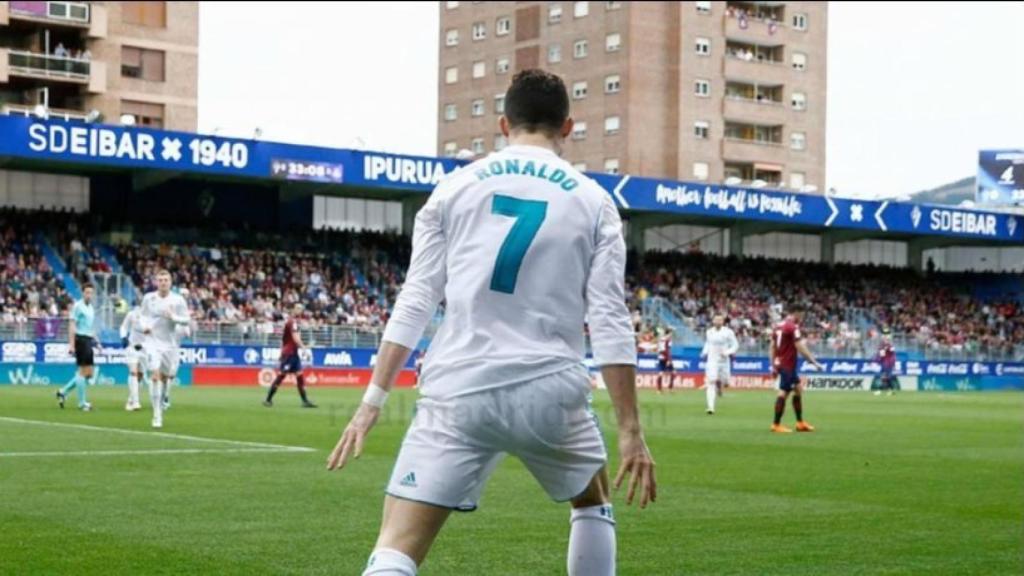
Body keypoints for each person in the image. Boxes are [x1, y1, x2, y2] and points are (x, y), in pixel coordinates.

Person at [327, 69, 656, 576]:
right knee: (593, 500)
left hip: (460, 388)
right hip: (549, 389)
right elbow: (609, 318)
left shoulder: (453, 190)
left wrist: (372, 402)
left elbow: (416, 300)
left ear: (503, 124)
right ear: (568, 127)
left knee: (397, 542)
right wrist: (631, 430)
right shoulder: (594, 203)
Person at [139, 270, 191, 429]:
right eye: (160, 280)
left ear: (171, 282)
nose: (163, 282)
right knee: (155, 376)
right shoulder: (149, 298)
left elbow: (186, 320)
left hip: (170, 344)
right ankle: (156, 415)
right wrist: (144, 326)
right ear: (156, 282)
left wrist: (173, 317)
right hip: (152, 342)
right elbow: (142, 316)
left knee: (165, 378)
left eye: (166, 280)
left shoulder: (178, 300)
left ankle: (160, 404)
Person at [769, 304, 824, 433]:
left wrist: (773, 365)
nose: (802, 318)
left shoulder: (778, 326)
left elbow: (772, 346)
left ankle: (800, 423)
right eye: (802, 315)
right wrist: (813, 361)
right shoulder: (793, 327)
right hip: (787, 364)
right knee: (784, 392)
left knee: (798, 389)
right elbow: (799, 346)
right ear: (796, 313)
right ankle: (776, 424)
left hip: (782, 363)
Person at [263, 303, 316, 408]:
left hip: (294, 353)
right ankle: (268, 399)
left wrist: (301, 346)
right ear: (294, 310)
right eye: (298, 308)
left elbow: (291, 338)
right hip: (289, 353)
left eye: (301, 309)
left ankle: (305, 401)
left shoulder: (295, 322)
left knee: (300, 375)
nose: (300, 310)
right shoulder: (292, 322)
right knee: (281, 375)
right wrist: (304, 347)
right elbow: (295, 338)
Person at [57, 283, 97, 411]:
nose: (89, 295)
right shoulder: (78, 306)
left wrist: (97, 341)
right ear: (82, 293)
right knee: (82, 371)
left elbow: (90, 326)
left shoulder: (91, 307)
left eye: (91, 292)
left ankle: (63, 391)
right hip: (80, 339)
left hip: (88, 339)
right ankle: (81, 403)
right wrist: (72, 344)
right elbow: (72, 325)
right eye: (87, 292)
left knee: (89, 373)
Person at [701, 314, 738, 415]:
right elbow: (708, 343)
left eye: (720, 320)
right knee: (711, 382)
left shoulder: (728, 332)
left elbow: (735, 345)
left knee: (725, 382)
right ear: (713, 321)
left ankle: (721, 384)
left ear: (723, 322)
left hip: (724, 361)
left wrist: (727, 352)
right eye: (716, 320)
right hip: (712, 361)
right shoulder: (709, 332)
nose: (717, 321)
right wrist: (704, 352)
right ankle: (710, 407)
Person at [120, 303, 146, 411]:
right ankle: (136, 402)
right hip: (132, 347)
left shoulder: (152, 316)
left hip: (145, 349)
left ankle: (130, 400)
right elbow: (123, 326)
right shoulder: (132, 314)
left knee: (140, 375)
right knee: (133, 372)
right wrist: (123, 337)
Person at [656, 326, 674, 393]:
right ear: (668, 333)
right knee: (672, 373)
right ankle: (668, 389)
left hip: (661, 357)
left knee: (662, 373)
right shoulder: (667, 340)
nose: (671, 335)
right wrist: (669, 359)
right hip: (665, 357)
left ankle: (659, 389)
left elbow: (659, 349)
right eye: (671, 333)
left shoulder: (661, 339)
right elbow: (667, 350)